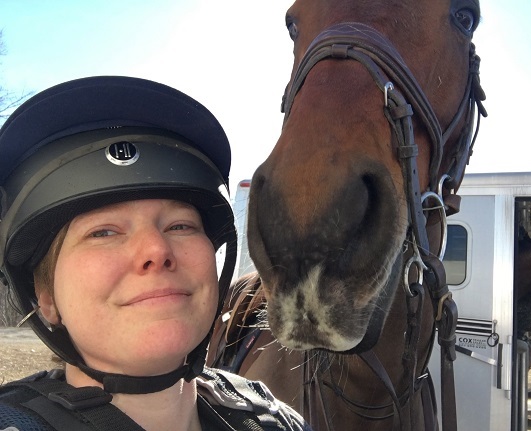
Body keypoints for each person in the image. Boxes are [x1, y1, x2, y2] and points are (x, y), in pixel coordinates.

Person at [0, 76, 311, 431]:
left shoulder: (276, 420)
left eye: (180, 226)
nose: (157, 250)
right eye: (103, 232)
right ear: (46, 298)